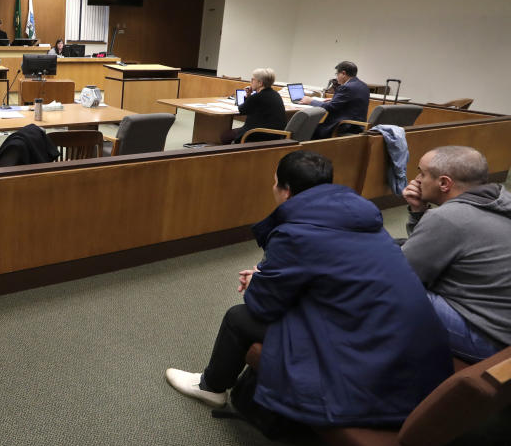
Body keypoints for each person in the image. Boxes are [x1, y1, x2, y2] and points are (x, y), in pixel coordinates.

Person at [165, 151, 452, 427]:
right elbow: (331, 272)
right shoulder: (361, 216)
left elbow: (264, 306)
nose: (273, 187)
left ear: (286, 191)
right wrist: (269, 275)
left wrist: (258, 282)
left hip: (374, 362)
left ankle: (210, 387)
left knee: (238, 318)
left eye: (276, 182)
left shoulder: (295, 232)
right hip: (413, 350)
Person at [400, 146, 511, 362]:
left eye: (422, 173)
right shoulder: (500, 199)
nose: (417, 180)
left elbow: (405, 275)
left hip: (492, 342)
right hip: (503, 324)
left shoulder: (448, 218)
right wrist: (418, 212)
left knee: (389, 288)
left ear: (444, 183)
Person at [299, 60, 370, 139]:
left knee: (306, 130)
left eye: (337, 74)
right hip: (357, 126)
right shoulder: (363, 85)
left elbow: (331, 107)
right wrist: (333, 100)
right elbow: (350, 102)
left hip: (343, 126)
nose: (336, 77)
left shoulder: (346, 87)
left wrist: (310, 101)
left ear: (343, 73)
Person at [220, 68, 286, 144]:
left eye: (252, 79)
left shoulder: (257, 97)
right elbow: (248, 108)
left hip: (257, 134)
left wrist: (248, 96)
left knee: (225, 136)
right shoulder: (276, 94)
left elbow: (242, 109)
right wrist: (249, 96)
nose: (250, 82)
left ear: (260, 83)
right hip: (275, 134)